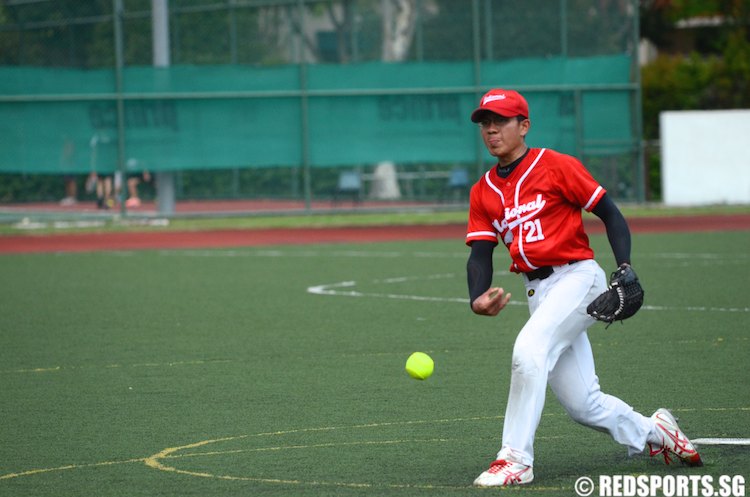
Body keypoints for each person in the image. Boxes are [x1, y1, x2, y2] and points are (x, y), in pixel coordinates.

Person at [464, 89, 702, 487]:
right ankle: (657, 431)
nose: (491, 129)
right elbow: (480, 253)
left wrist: (623, 266)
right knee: (583, 405)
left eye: (501, 121)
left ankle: (516, 459)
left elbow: (609, 212)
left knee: (529, 350)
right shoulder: (483, 190)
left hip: (577, 277)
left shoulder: (555, 165)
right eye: (485, 122)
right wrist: (476, 296)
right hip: (538, 292)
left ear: (524, 126)